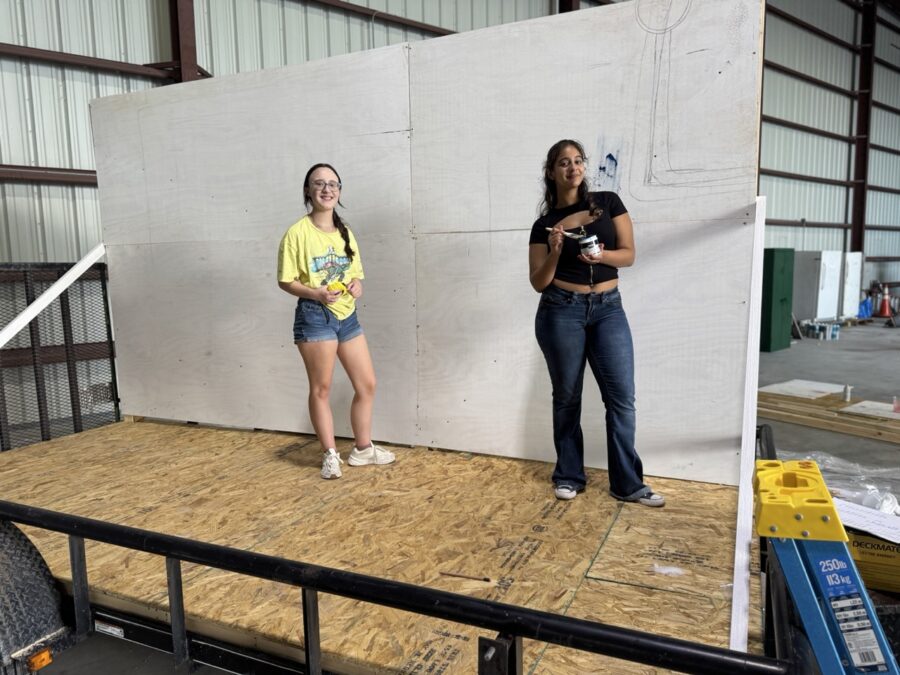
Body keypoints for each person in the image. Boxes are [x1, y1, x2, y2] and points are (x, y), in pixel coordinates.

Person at [528, 140, 663, 506]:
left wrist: (603, 255)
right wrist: (556, 252)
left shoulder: (606, 204)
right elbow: (538, 282)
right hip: (560, 309)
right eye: (563, 163)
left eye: (578, 161)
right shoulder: (544, 226)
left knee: (622, 398)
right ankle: (570, 475)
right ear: (551, 172)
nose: (573, 167)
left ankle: (628, 484)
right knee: (567, 398)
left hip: (608, 308)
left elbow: (629, 255)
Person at [277, 163, 395, 479]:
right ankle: (330, 454)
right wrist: (315, 293)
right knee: (322, 388)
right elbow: (285, 280)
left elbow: (356, 274)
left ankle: (362, 449)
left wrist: (357, 285)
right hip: (315, 318)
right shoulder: (297, 234)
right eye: (319, 184)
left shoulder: (345, 231)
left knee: (367, 384)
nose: (327, 189)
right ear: (308, 190)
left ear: (339, 191)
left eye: (333, 184)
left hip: (347, 315)